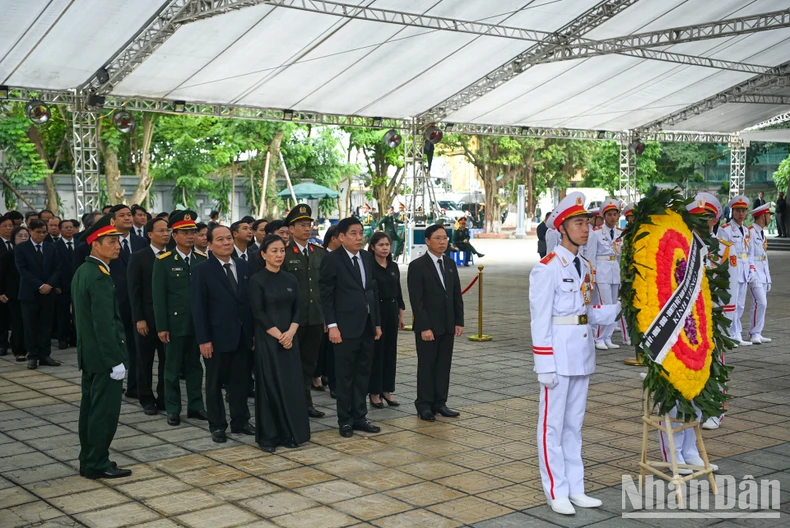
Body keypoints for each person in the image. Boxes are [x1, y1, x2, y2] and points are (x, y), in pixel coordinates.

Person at [528, 191, 619, 515]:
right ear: (562, 228)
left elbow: (585, 312)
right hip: (558, 359)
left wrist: (619, 310)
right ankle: (556, 490)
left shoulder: (584, 264)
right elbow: (540, 321)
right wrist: (544, 365)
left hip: (581, 355)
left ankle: (576, 488)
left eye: (586, 223)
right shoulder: (547, 268)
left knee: (574, 427)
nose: (586, 229)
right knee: (552, 427)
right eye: (579, 223)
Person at [71, 213, 132, 480]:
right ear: (95, 244)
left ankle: (89, 459)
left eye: (118, 241)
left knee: (90, 410)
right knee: (103, 413)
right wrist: (114, 359)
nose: (117, 245)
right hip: (103, 357)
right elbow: (103, 324)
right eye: (111, 241)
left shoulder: (84, 271)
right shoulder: (97, 276)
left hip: (90, 355)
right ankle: (97, 462)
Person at [319, 217, 382, 437]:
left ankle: (360, 416)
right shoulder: (332, 260)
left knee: (363, 373)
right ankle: (344, 420)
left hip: (366, 326)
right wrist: (333, 326)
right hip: (344, 328)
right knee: (344, 376)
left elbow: (371, 292)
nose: (358, 237)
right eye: (353, 233)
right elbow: (326, 296)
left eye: (361, 232)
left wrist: (376, 323)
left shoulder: (366, 257)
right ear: (341, 237)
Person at [191, 225, 255, 443]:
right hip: (216, 338)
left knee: (240, 383)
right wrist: (204, 340)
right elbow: (198, 308)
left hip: (242, 336)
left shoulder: (245, 266)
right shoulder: (202, 270)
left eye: (228, 238)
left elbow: (249, 304)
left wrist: (253, 333)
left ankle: (240, 420)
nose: (226, 242)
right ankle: (217, 425)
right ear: (209, 244)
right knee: (214, 384)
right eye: (220, 239)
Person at [249, 235, 310, 452]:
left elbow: (298, 309)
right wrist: (279, 336)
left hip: (289, 339)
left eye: (281, 251)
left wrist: (291, 332)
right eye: (273, 251)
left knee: (291, 386)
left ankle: (290, 433)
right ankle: (269, 437)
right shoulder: (257, 280)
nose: (278, 255)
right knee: (270, 387)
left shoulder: (290, 279)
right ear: (263, 254)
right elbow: (258, 312)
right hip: (269, 340)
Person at [152, 210, 207, 426]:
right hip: (175, 325)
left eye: (192, 231)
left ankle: (196, 406)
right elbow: (159, 297)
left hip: (198, 325)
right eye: (184, 232)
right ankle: (173, 408)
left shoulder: (202, 259)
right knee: (172, 369)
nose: (190, 236)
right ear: (174, 235)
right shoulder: (164, 261)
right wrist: (162, 326)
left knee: (195, 367)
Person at [407, 223, 464, 421]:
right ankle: (424, 405)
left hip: (447, 325)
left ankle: (440, 402)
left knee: (443, 366)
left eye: (445, 238)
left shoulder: (449, 263)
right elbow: (417, 300)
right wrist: (424, 327)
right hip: (428, 327)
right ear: (427, 241)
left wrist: (458, 321)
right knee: (427, 366)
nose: (442, 242)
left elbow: (456, 294)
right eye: (438, 238)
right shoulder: (418, 266)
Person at [283, 204, 327, 419]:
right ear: (291, 229)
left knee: (309, 364)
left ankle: (306, 402)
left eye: (309, 224)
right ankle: (291, 403)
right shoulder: (283, 252)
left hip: (315, 317)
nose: (307, 228)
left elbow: (325, 286)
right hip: (293, 321)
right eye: (301, 225)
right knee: (291, 364)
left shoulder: (318, 252)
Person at [128, 217, 170, 415]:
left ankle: (163, 397)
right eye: (160, 231)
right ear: (150, 234)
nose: (165, 234)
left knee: (166, 360)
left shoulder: (172, 255)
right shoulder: (139, 257)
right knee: (144, 360)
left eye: (167, 230)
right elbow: (134, 291)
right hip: (146, 318)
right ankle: (146, 398)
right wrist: (139, 319)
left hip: (167, 319)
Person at [107, 204, 147, 397]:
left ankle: (135, 387)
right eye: (122, 215)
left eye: (129, 215)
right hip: (115, 301)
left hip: (137, 303)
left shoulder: (141, 242)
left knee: (137, 347)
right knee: (115, 345)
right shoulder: (105, 242)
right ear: (113, 220)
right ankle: (112, 383)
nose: (128, 218)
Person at [16, 218, 61, 370]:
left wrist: (49, 284)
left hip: (48, 293)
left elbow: (57, 268)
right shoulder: (21, 248)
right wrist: (40, 285)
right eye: (38, 232)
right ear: (30, 232)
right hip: (29, 293)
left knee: (46, 325)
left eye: (44, 232)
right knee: (30, 326)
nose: (42, 235)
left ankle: (45, 354)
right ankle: (33, 355)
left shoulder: (51, 247)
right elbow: (23, 271)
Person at [368, 232, 405, 409]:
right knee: (377, 352)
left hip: (392, 310)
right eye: (381, 245)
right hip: (377, 311)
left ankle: (387, 390)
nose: (384, 248)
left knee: (390, 352)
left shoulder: (393, 266)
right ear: (373, 247)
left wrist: (401, 314)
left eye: (387, 245)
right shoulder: (369, 267)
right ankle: (374, 392)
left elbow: (398, 291)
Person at [585, 199, 623, 350]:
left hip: (615, 271)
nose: (613, 217)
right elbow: (590, 255)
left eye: (615, 214)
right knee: (605, 306)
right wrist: (591, 275)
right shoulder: (596, 233)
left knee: (613, 306)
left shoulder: (621, 234)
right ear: (604, 216)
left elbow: (620, 256)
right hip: (601, 272)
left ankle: (607, 337)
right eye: (610, 215)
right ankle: (598, 337)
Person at [717, 196, 754, 347]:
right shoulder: (725, 229)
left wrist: (751, 269)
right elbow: (721, 251)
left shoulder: (746, 230)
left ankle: (736, 333)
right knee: (730, 304)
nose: (741, 214)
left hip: (744, 270)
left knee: (740, 304)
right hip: (732, 270)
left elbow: (750, 252)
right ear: (732, 211)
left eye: (743, 211)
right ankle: (728, 334)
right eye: (738, 211)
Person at [314, 226, 341, 398]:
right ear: (334, 238)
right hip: (324, 310)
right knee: (323, 349)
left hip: (340, 311)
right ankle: (323, 377)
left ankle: (327, 377)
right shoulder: (322, 255)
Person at [0, 226, 28, 361]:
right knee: (17, 322)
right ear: (13, 239)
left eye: (25, 236)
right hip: (13, 293)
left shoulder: (33, 254)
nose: (23, 238)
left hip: (31, 292)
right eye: (19, 236)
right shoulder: (8, 255)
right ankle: (19, 350)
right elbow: (1, 275)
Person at [747, 203, 772, 345]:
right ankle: (753, 332)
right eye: (769, 215)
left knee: (762, 303)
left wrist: (768, 277)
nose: (770, 218)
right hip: (754, 272)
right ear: (763, 216)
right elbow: (749, 254)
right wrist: (752, 272)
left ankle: (758, 331)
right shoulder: (750, 232)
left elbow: (764, 256)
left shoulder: (761, 233)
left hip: (763, 272)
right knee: (760, 302)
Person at [54, 219, 78, 349]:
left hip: (77, 284)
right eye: (66, 227)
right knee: (62, 313)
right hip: (62, 285)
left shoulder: (79, 244)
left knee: (77, 312)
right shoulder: (55, 246)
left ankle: (75, 338)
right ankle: (62, 338)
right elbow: (54, 266)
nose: (69, 229)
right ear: (60, 230)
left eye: (71, 227)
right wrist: (56, 285)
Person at [0, 215, 14, 356]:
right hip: (2, 288)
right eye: (5, 226)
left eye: (10, 226)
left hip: (14, 288)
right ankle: (2, 344)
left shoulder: (16, 243)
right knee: (2, 319)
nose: (8, 228)